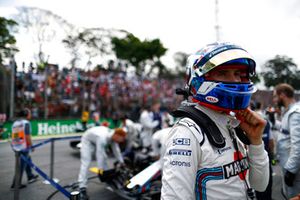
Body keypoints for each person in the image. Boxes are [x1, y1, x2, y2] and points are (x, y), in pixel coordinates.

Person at [161, 42, 269, 200]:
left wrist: (256, 141)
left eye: (238, 74)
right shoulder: (187, 133)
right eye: (223, 73)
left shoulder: (234, 123)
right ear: (199, 80)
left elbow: (260, 185)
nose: (236, 81)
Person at [77, 126, 127, 200]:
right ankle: (82, 186)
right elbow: (99, 154)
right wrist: (100, 171)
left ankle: (107, 178)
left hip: (95, 139)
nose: (121, 142)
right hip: (88, 140)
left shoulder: (113, 136)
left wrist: (122, 163)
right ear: (117, 135)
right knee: (86, 162)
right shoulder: (102, 137)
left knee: (104, 157)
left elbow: (117, 151)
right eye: (121, 139)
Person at [273, 83, 300, 199]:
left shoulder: (294, 113)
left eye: (275, 96)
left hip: (293, 169)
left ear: (282, 95)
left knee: (292, 196)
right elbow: (286, 131)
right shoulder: (290, 111)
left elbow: (298, 144)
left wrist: (291, 170)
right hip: (287, 163)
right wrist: (273, 121)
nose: (274, 100)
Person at [10, 108, 39, 189]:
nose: (31, 114)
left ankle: (30, 176)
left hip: (16, 146)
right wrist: (31, 145)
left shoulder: (15, 123)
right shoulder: (26, 123)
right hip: (24, 147)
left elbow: (15, 135)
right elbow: (27, 135)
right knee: (21, 165)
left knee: (28, 159)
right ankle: (15, 184)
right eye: (30, 113)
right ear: (26, 115)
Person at [253, 101, 274, 200]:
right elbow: (271, 141)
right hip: (266, 156)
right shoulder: (266, 119)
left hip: (252, 157)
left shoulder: (246, 120)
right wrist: (272, 154)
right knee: (266, 183)